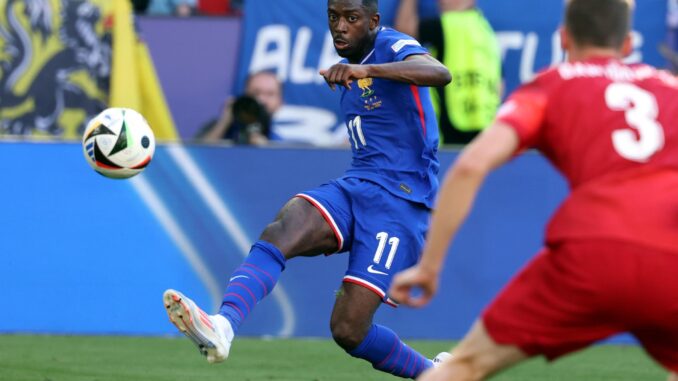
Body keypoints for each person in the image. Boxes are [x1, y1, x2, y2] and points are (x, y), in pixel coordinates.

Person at [389, 0, 678, 380]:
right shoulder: (669, 87)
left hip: (590, 255)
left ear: (563, 38)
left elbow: (473, 164)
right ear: (627, 44)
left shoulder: (552, 85)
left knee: (464, 366)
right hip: (669, 259)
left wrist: (429, 267)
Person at [164, 0, 452, 378]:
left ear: (374, 21)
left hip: (401, 203)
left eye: (352, 18)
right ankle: (223, 326)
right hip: (357, 185)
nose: (340, 27)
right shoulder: (346, 67)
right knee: (283, 228)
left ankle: (432, 374)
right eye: (334, 17)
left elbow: (439, 72)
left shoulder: (392, 47)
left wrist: (367, 69)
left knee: (348, 329)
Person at [395, 0, 501, 145]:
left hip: (447, 132)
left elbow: (403, 36)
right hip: (484, 130)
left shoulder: (446, 24)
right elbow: (500, 84)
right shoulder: (484, 29)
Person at [198, 71, 282, 145]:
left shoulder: (280, 143)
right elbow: (195, 155)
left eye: (270, 94)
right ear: (244, 96)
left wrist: (266, 151)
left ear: (280, 102)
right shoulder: (219, 126)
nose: (261, 100)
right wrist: (224, 122)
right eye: (256, 93)